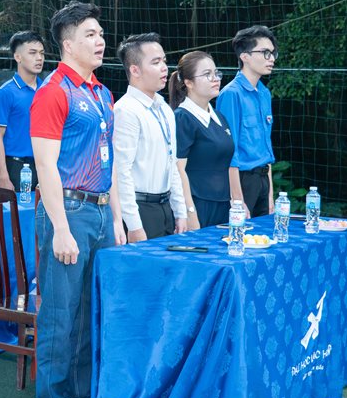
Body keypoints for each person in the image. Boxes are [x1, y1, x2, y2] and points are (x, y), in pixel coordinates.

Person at [30, 1, 124, 398]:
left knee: (90, 309)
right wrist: (62, 228)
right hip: (67, 211)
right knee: (59, 310)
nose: (100, 40)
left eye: (100, 33)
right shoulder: (54, 91)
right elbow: (45, 166)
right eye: (90, 34)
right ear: (68, 44)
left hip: (101, 211)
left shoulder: (103, 94)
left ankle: (78, 396)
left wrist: (117, 219)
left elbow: (110, 162)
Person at [112, 33, 188, 240]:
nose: (164, 68)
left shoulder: (165, 109)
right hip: (140, 210)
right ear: (135, 70)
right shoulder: (125, 110)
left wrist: (180, 212)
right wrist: (134, 225)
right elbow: (121, 172)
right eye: (155, 62)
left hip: (166, 208)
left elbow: (172, 164)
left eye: (164, 60)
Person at [216, 25, 277, 219]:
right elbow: (229, 151)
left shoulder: (264, 93)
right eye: (265, 53)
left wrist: (270, 194)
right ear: (245, 56)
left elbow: (267, 148)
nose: (271, 59)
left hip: (263, 180)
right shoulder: (231, 94)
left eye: (273, 53)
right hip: (243, 181)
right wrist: (237, 199)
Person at [168, 51, 233, 228]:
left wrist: (235, 202)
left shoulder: (219, 117)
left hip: (224, 207)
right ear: (188, 82)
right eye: (207, 74)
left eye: (216, 73)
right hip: (198, 206)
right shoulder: (182, 117)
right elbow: (178, 169)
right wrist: (190, 212)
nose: (215, 79)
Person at [0, 31, 45, 192]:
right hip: (15, 168)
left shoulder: (47, 90)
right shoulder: (5, 93)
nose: (39, 58)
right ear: (18, 57)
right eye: (32, 53)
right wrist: (4, 177)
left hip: (44, 167)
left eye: (42, 53)